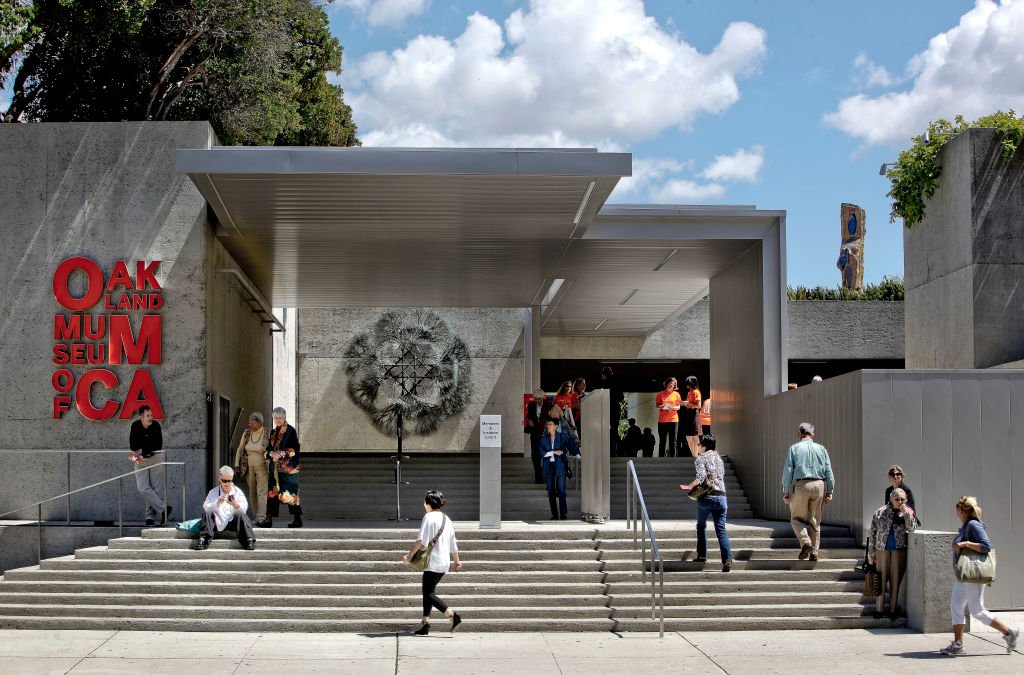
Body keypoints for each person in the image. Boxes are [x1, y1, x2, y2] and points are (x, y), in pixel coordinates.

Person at [940, 496, 1020, 656]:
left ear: (962, 510)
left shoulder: (973, 525)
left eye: (958, 509)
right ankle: (958, 644)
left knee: (977, 610)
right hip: (963, 575)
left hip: (972, 575)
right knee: (956, 606)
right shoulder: (966, 526)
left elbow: (986, 546)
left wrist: (966, 544)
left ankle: (1009, 633)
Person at [402, 490, 462, 635]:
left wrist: (409, 555)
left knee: (428, 593)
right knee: (429, 591)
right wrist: (456, 561)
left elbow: (421, 541)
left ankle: (452, 616)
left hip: (432, 562)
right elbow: (453, 543)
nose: (424, 504)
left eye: (425, 501)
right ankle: (425, 624)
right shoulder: (447, 519)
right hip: (444, 562)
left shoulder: (428, 517)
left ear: (428, 504)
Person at [780, 422, 835, 561]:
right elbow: (828, 471)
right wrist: (830, 491)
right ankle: (814, 552)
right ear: (813, 434)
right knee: (815, 521)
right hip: (819, 485)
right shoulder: (821, 449)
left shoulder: (794, 448)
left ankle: (805, 542)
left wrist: (786, 491)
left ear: (800, 434)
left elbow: (788, 471)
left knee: (796, 519)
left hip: (801, 485)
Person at [683, 433, 732, 572]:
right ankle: (727, 560)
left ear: (704, 446)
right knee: (721, 529)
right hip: (721, 497)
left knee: (701, 526)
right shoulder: (719, 458)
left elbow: (700, 477)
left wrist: (690, 486)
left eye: (699, 444)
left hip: (707, 497)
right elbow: (719, 477)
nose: (698, 446)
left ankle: (702, 555)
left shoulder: (701, 458)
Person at [867, 487, 917, 618]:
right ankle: (879, 609)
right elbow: (872, 533)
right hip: (881, 550)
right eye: (897, 499)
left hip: (899, 550)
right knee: (880, 580)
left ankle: (892, 610)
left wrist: (906, 514)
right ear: (891, 499)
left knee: (895, 581)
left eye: (902, 499)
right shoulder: (880, 511)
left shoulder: (907, 511)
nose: (900, 501)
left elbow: (912, 528)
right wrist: (870, 554)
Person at [128, 405, 172, 526]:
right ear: (141, 417)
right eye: (147, 416)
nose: (150, 418)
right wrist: (143, 450)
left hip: (155, 458)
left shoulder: (156, 426)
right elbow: (133, 446)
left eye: (151, 415)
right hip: (140, 460)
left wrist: (142, 450)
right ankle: (164, 509)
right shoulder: (135, 426)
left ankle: (149, 518)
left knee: (155, 488)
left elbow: (158, 446)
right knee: (142, 487)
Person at [195, 466, 255, 551]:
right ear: (220, 479)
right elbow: (206, 507)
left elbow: (244, 509)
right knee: (206, 514)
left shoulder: (237, 492)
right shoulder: (213, 492)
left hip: (232, 522)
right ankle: (203, 540)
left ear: (232, 480)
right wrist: (217, 503)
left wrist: (235, 504)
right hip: (216, 522)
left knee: (242, 516)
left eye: (229, 481)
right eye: (224, 481)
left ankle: (248, 540)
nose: (227, 484)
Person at [266, 407, 302, 528]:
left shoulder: (290, 431)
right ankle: (268, 519)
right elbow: (268, 449)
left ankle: (297, 519)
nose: (278, 420)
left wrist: (280, 454)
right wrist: (271, 453)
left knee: (290, 493)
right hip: (275, 469)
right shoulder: (273, 432)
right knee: (272, 493)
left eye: (280, 418)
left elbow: (295, 450)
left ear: (284, 417)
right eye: (276, 418)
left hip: (289, 469)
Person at [538, 418, 580, 520]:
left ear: (556, 426)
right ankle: (555, 514)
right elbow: (541, 451)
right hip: (548, 466)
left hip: (560, 465)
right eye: (547, 424)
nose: (548, 426)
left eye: (550, 424)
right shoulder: (544, 439)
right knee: (550, 491)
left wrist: (578, 456)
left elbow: (571, 446)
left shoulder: (562, 436)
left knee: (561, 489)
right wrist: (553, 452)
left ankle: (563, 513)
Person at [233, 412, 270, 525]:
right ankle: (256, 516)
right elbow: (240, 449)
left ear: (260, 422)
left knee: (262, 491)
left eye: (253, 423)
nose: (251, 425)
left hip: (262, 466)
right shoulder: (247, 432)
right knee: (252, 491)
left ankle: (262, 516)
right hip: (249, 466)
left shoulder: (267, 433)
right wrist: (236, 464)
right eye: (250, 423)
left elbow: (271, 449)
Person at [524, 389, 548, 484]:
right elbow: (528, 416)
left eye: (539, 399)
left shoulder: (548, 405)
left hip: (545, 435)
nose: (537, 401)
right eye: (535, 399)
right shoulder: (531, 405)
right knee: (535, 456)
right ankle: (538, 477)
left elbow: (555, 416)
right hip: (534, 434)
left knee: (546, 456)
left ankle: (545, 475)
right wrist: (529, 420)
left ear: (542, 398)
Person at [655, 377, 681, 458]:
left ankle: (672, 460)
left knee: (673, 441)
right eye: (670, 383)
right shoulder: (660, 394)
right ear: (666, 383)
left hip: (673, 420)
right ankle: (661, 459)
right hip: (662, 420)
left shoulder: (676, 394)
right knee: (662, 441)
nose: (671, 385)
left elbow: (678, 407)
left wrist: (672, 407)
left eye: (673, 384)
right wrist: (662, 406)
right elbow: (657, 405)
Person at [681, 376, 703, 457]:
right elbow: (689, 404)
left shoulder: (696, 392)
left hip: (694, 414)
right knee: (688, 437)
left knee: (695, 437)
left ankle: (695, 456)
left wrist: (687, 403)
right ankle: (694, 455)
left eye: (688, 383)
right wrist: (684, 403)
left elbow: (698, 405)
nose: (687, 385)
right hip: (688, 414)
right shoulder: (689, 393)